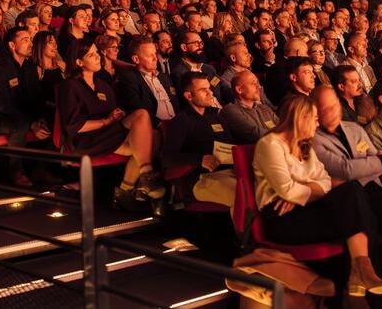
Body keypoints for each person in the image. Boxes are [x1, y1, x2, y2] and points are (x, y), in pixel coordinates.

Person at [253, 94, 382, 300]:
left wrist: (301, 192)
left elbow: (326, 181)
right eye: (314, 118)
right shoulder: (270, 144)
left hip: (305, 208)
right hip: (281, 217)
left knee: (355, 194)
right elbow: (287, 191)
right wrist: (304, 191)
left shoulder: (304, 145)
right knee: (358, 211)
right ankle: (359, 284)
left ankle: (361, 274)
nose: (318, 123)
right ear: (300, 118)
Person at [58, 39, 164, 211]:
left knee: (155, 135)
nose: (97, 57)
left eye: (96, 53)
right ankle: (146, 174)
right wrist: (106, 121)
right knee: (142, 115)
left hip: (109, 132)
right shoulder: (70, 86)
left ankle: (125, 190)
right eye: (91, 55)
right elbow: (74, 126)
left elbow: (110, 113)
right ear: (79, 62)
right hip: (87, 139)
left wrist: (116, 116)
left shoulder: (104, 86)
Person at [161, 72, 237, 208]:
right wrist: (200, 159)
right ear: (189, 96)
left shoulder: (217, 116)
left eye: (209, 89)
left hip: (228, 172)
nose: (211, 93)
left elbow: (232, 146)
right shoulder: (182, 120)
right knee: (241, 194)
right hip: (201, 179)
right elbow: (167, 158)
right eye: (203, 90)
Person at [0, 27, 51, 162]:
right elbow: (2, 105)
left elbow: (37, 96)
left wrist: (40, 117)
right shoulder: (0, 67)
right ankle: (15, 169)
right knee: (21, 125)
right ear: (12, 45)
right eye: (25, 40)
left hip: (26, 114)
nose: (31, 44)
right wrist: (32, 123)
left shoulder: (30, 66)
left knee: (54, 118)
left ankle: (42, 168)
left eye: (31, 39)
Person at [115, 36, 178, 126]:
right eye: (150, 55)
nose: (155, 59)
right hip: (153, 127)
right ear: (136, 59)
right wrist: (161, 125)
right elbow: (136, 109)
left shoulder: (163, 77)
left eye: (155, 54)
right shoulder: (128, 79)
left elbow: (176, 102)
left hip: (177, 123)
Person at [221, 70, 279, 144]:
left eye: (258, 83)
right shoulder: (230, 110)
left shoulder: (264, 108)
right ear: (239, 90)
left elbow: (282, 127)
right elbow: (255, 134)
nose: (259, 87)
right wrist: (283, 136)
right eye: (253, 83)